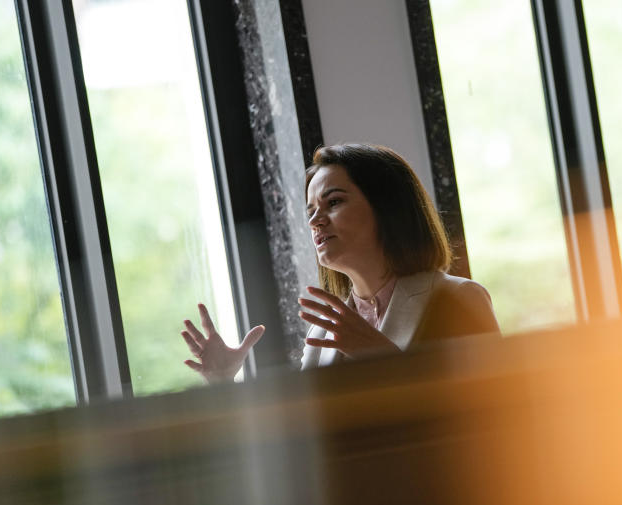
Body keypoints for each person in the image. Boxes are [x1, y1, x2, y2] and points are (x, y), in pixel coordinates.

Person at [181, 143, 499, 381]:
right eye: (310, 211)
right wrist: (227, 381)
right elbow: (305, 440)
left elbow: (493, 419)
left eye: (333, 202)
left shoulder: (458, 298)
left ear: (388, 209)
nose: (315, 221)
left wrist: (385, 359)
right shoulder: (324, 330)